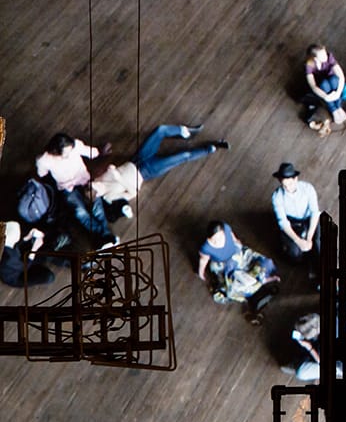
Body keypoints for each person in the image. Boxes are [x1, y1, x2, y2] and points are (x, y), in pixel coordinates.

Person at [91, 124, 229, 218]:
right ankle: (211, 148)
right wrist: (118, 178)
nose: (98, 183)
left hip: (136, 160)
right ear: (98, 195)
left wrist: (111, 168)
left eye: (95, 184)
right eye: (97, 188)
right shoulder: (109, 197)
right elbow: (133, 193)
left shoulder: (97, 179)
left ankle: (186, 131)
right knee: (182, 156)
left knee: (160, 130)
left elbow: (108, 167)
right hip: (147, 171)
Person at [34, 133, 116, 249]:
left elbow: (91, 152)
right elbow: (41, 173)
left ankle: (105, 237)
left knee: (97, 206)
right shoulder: (44, 160)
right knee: (79, 212)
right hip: (67, 187)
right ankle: (106, 235)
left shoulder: (75, 145)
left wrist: (99, 152)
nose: (69, 154)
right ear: (55, 151)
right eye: (65, 153)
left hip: (84, 181)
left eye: (70, 150)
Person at [197, 220, 281, 322]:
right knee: (238, 285)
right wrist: (201, 273)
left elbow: (232, 235)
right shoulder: (206, 248)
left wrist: (237, 241)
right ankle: (260, 283)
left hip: (239, 255)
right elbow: (203, 261)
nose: (218, 240)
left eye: (220, 236)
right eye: (215, 239)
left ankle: (261, 280)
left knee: (265, 263)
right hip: (226, 265)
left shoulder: (226, 228)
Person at [270, 162, 321, 280]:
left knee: (318, 243)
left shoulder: (308, 189)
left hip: (309, 219)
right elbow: (283, 222)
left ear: (296, 179)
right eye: (284, 185)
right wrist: (298, 241)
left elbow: (314, 212)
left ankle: (320, 270)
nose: (288, 188)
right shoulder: (277, 197)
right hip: (292, 222)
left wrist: (309, 237)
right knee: (294, 252)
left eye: (290, 183)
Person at [303, 44, 346, 125]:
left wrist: (338, 92)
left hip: (331, 78)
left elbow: (341, 76)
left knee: (334, 80)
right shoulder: (309, 64)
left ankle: (338, 106)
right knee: (324, 84)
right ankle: (333, 109)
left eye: (324, 53)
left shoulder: (329, 57)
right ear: (315, 58)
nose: (325, 56)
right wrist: (326, 97)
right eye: (322, 55)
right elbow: (313, 85)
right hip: (320, 84)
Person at [0, 221, 53, 288]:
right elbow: (24, 267)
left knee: (42, 257)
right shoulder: (9, 258)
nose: (19, 234)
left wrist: (27, 237)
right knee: (49, 277)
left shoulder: (5, 245)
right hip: (16, 277)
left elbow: (15, 244)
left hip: (15, 265)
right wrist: (34, 249)